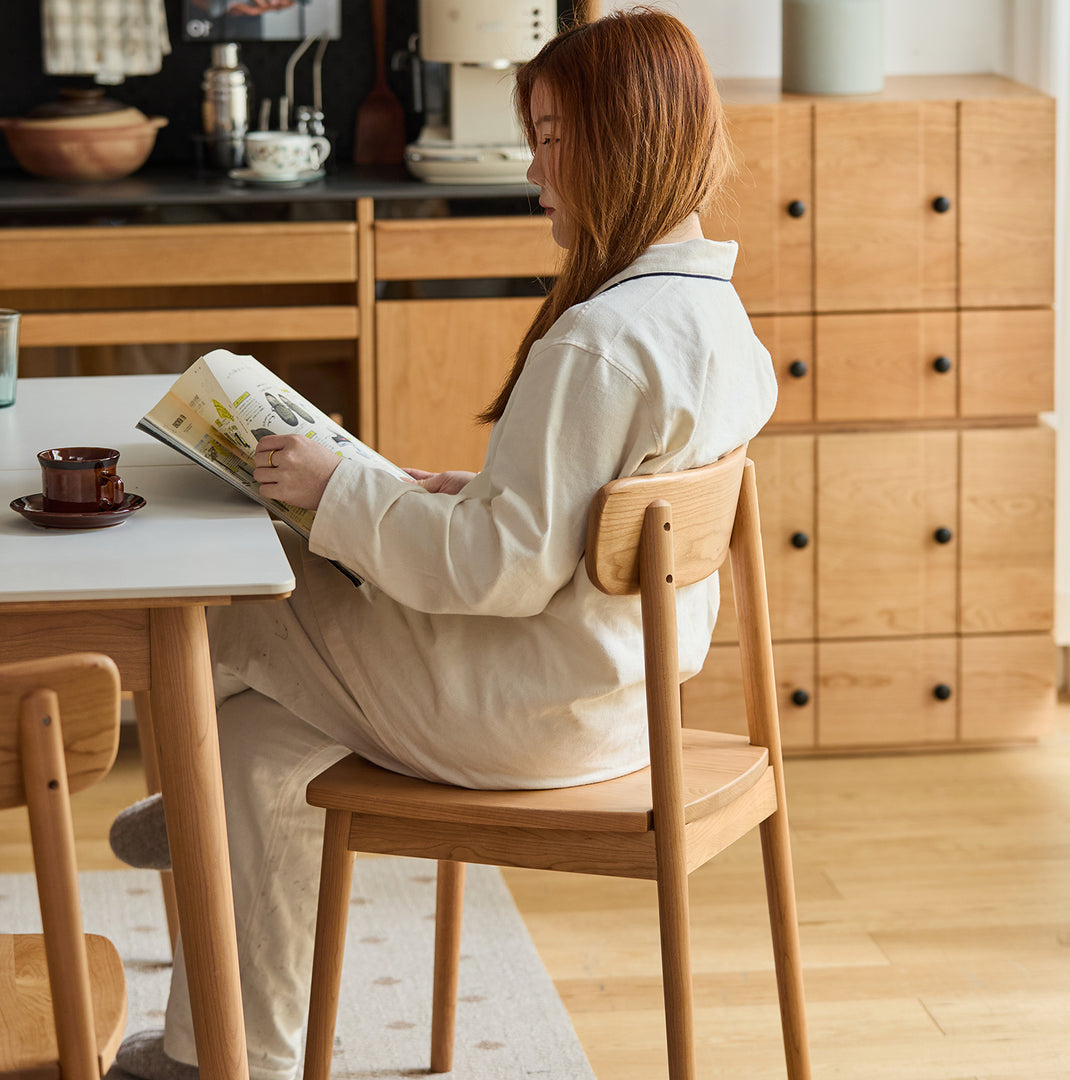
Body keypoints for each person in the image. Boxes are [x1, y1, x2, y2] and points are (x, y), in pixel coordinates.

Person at [110, 9, 777, 1080]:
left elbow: (494, 573)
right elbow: (583, 517)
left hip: (517, 712)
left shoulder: (599, 342)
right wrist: (455, 488)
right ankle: (219, 1047)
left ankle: (174, 804)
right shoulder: (714, 321)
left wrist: (340, 488)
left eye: (554, 136)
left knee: (235, 601)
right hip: (619, 707)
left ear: (625, 140)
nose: (533, 165)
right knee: (253, 747)